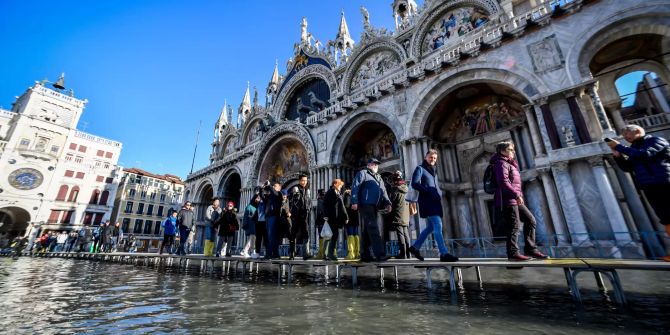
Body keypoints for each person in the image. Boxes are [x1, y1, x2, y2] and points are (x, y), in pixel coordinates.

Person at [608, 125, 670, 261]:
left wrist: (620, 147)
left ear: (637, 131)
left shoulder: (655, 141)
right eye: (624, 136)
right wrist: (618, 157)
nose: (625, 138)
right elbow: (628, 167)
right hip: (649, 185)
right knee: (665, 217)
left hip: (664, 182)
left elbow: (645, 154)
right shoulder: (634, 148)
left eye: (627, 135)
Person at [490, 141, 548, 261]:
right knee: (514, 226)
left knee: (530, 220)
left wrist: (517, 195)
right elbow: (503, 182)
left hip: (513, 198)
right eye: (511, 149)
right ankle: (513, 253)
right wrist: (516, 194)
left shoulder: (509, 163)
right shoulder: (501, 163)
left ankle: (531, 249)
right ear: (502, 151)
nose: (513, 152)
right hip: (506, 200)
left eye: (513, 149)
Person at [408, 149, 459, 262]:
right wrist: (427, 191)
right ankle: (444, 253)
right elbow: (414, 183)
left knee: (431, 227)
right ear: (426, 157)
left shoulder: (433, 170)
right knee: (438, 226)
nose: (433, 160)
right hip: (427, 201)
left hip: (435, 201)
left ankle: (415, 247)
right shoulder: (420, 168)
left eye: (435, 158)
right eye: (431, 157)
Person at [351, 158, 392, 262]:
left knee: (367, 230)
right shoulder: (363, 173)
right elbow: (355, 187)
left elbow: (384, 191)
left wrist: (388, 203)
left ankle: (364, 254)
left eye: (377, 164)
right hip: (365, 204)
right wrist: (354, 201)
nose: (376, 166)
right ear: (369, 165)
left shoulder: (379, 177)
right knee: (374, 227)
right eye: (374, 164)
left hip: (375, 205)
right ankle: (380, 254)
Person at [323, 179, 348, 261]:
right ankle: (329, 254)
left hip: (336, 217)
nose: (341, 187)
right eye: (340, 185)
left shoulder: (338, 193)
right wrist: (326, 215)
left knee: (333, 235)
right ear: (335, 184)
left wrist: (345, 217)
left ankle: (328, 253)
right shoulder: (330, 193)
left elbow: (342, 207)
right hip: (331, 217)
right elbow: (325, 205)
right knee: (333, 234)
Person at [289, 174, 313, 260]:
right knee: (293, 233)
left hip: (304, 214)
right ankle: (292, 253)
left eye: (306, 181)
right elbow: (291, 201)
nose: (304, 182)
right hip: (296, 215)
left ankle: (305, 253)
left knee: (306, 233)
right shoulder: (295, 189)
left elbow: (309, 201)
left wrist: (308, 209)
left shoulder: (308, 190)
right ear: (299, 181)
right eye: (303, 180)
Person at [389, 171, 411, 259]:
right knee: (406, 233)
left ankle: (403, 254)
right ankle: (408, 254)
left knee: (400, 234)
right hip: (406, 214)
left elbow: (392, 201)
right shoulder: (406, 188)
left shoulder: (396, 189)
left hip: (398, 214)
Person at [263, 182, 283, 259]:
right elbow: (263, 198)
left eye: (275, 186)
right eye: (273, 186)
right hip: (268, 216)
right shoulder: (270, 196)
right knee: (270, 236)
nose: (274, 187)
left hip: (274, 216)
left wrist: (269, 185)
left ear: (279, 188)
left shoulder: (279, 194)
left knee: (271, 236)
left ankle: (269, 253)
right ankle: (275, 253)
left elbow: (274, 192)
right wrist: (262, 188)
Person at [343, 188, 360, 260]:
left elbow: (346, 206)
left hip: (349, 219)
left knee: (350, 235)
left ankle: (351, 253)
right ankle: (357, 253)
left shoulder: (347, 196)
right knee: (356, 235)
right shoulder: (356, 197)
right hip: (356, 219)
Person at [279, 190, 293, 258]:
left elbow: (293, 209)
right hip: (281, 222)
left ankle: (291, 253)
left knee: (290, 236)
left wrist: (290, 213)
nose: (284, 196)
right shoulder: (279, 202)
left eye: (285, 195)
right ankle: (279, 253)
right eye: (283, 195)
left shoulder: (289, 201)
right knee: (279, 237)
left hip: (288, 221)